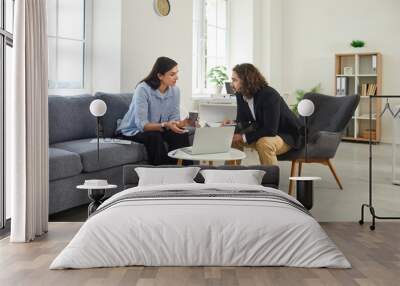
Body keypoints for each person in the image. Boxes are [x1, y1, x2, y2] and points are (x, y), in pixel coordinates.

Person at [117, 57, 192, 165]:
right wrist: (165, 125)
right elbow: (142, 125)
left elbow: (173, 120)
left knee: (181, 134)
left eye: (176, 73)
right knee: (154, 137)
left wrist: (183, 123)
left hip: (159, 128)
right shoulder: (142, 89)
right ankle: (161, 175)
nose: (177, 77)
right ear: (160, 75)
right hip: (134, 130)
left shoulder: (175, 90)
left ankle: (186, 174)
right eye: (172, 74)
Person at [229, 63, 303, 166]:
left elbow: (270, 130)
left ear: (246, 80)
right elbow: (242, 121)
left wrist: (243, 137)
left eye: (235, 80)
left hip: (287, 135)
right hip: (265, 132)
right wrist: (231, 126)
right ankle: (229, 175)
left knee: (264, 143)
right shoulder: (240, 94)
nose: (231, 84)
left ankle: (270, 179)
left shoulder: (269, 95)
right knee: (232, 139)